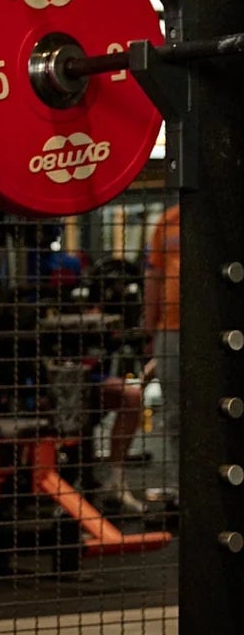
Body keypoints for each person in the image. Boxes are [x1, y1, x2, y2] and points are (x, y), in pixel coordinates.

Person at [144, 198, 180, 498]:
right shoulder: (167, 221)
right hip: (171, 329)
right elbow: (154, 276)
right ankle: (183, 486)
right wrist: (149, 327)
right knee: (175, 410)